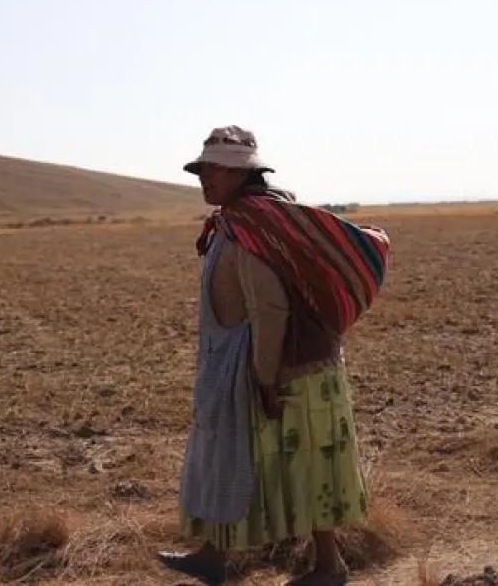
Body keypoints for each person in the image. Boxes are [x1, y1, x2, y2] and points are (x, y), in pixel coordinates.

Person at [157, 126, 391, 586]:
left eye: (212, 171)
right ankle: (214, 555)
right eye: (202, 170)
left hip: (289, 370)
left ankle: (328, 566)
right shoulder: (246, 219)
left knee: (305, 459)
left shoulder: (251, 226)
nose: (203, 179)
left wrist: (265, 379)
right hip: (273, 362)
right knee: (247, 455)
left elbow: (269, 307)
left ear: (238, 174)